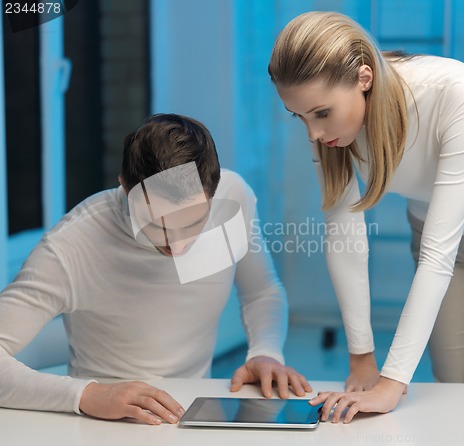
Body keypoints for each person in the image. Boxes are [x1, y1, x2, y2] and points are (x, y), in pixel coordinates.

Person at [0, 113, 311, 425]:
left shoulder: (234, 198)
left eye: (192, 224)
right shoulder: (71, 245)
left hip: (195, 416)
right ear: (125, 187)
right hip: (102, 424)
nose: (176, 248)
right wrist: (88, 395)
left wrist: (265, 351)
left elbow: (262, 291)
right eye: (155, 224)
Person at [268, 11, 464, 423]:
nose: (313, 134)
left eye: (320, 113)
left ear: (364, 78)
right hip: (435, 234)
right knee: (454, 386)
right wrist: (362, 357)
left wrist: (391, 385)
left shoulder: (460, 94)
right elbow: (344, 234)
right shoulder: (327, 129)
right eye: (299, 116)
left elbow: (437, 255)